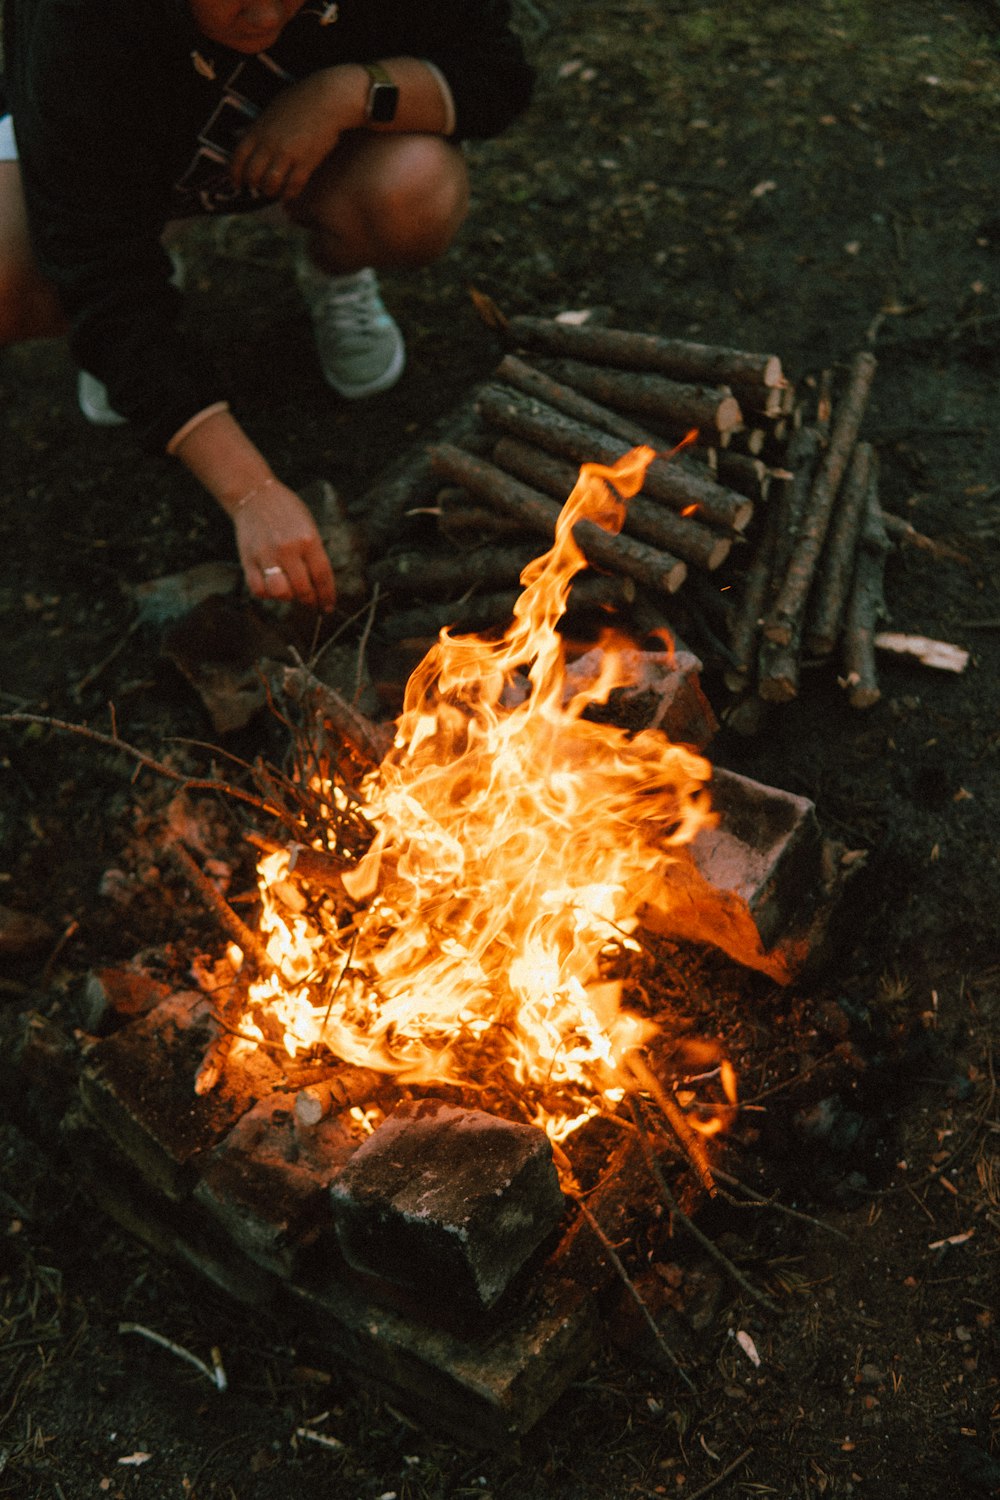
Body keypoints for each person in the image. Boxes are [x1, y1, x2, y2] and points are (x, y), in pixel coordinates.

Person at [0, 0, 534, 612]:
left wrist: (348, 93)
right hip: (118, 167)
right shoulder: (81, 23)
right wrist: (251, 492)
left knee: (416, 189)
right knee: (15, 280)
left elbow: (497, 74)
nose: (263, 15)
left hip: (319, 149)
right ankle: (146, 273)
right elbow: (92, 260)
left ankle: (334, 263)